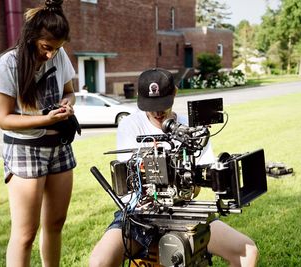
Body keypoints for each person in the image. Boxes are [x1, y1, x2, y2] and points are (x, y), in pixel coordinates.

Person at [89, 68, 259, 267]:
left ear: (175, 93)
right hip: (140, 215)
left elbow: (201, 180)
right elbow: (130, 186)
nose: (157, 112)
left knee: (247, 251)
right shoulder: (130, 125)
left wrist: (189, 185)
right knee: (99, 261)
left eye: (162, 104)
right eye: (150, 106)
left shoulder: (192, 129)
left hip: (184, 212)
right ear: (140, 99)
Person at [0, 0, 76, 266]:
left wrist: (68, 104)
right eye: (46, 47)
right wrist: (44, 118)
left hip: (59, 145)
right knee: (25, 234)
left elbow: (69, 91)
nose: (51, 55)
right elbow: (3, 119)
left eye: (57, 49)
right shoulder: (7, 64)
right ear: (31, 37)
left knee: (56, 224)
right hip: (25, 149)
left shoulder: (59, 55)